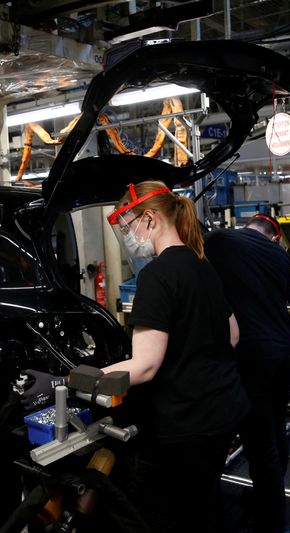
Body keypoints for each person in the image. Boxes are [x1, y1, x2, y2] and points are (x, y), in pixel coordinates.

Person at [102, 181, 250, 533]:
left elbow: (146, 365)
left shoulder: (156, 276)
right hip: (224, 410)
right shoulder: (203, 266)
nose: (129, 236)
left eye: (128, 226)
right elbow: (232, 335)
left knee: (181, 515)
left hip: (187, 424)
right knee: (207, 502)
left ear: (150, 219)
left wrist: (88, 374)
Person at [203, 214, 290, 533]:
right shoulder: (283, 259)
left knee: (260, 445)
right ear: (274, 237)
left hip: (253, 359)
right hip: (285, 355)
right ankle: (269, 501)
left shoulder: (220, 241)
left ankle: (269, 519)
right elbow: (279, 300)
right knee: (274, 431)